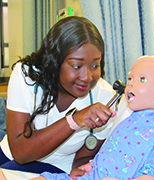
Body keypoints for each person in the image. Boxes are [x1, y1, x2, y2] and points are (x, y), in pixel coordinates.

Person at [25, 56, 154, 180]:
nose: (130, 84)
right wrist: (93, 165)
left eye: (142, 79)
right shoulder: (129, 121)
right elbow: (113, 152)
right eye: (131, 79)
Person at [0, 16, 118, 174]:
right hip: (11, 157)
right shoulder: (26, 75)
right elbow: (21, 153)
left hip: (59, 168)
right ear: (55, 61)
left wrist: (78, 171)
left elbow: (85, 155)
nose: (87, 77)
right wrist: (74, 121)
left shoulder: (106, 98)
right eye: (77, 66)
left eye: (95, 65)